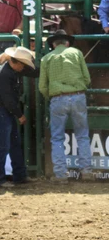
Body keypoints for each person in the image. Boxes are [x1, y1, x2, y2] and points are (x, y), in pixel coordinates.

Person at [39, 30, 93, 182]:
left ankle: (61, 174)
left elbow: (42, 86)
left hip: (58, 98)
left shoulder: (46, 59)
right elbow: (87, 78)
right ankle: (86, 171)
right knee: (82, 135)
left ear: (53, 44)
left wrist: (50, 96)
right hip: (78, 96)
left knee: (57, 137)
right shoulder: (77, 53)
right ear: (67, 42)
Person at [0, 47, 38, 188]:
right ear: (15, 63)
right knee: (4, 146)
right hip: (2, 111)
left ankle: (19, 175)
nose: (23, 68)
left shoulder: (9, 70)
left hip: (4, 111)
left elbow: (32, 72)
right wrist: (20, 115)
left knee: (11, 145)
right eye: (22, 65)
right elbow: (8, 100)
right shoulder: (4, 75)